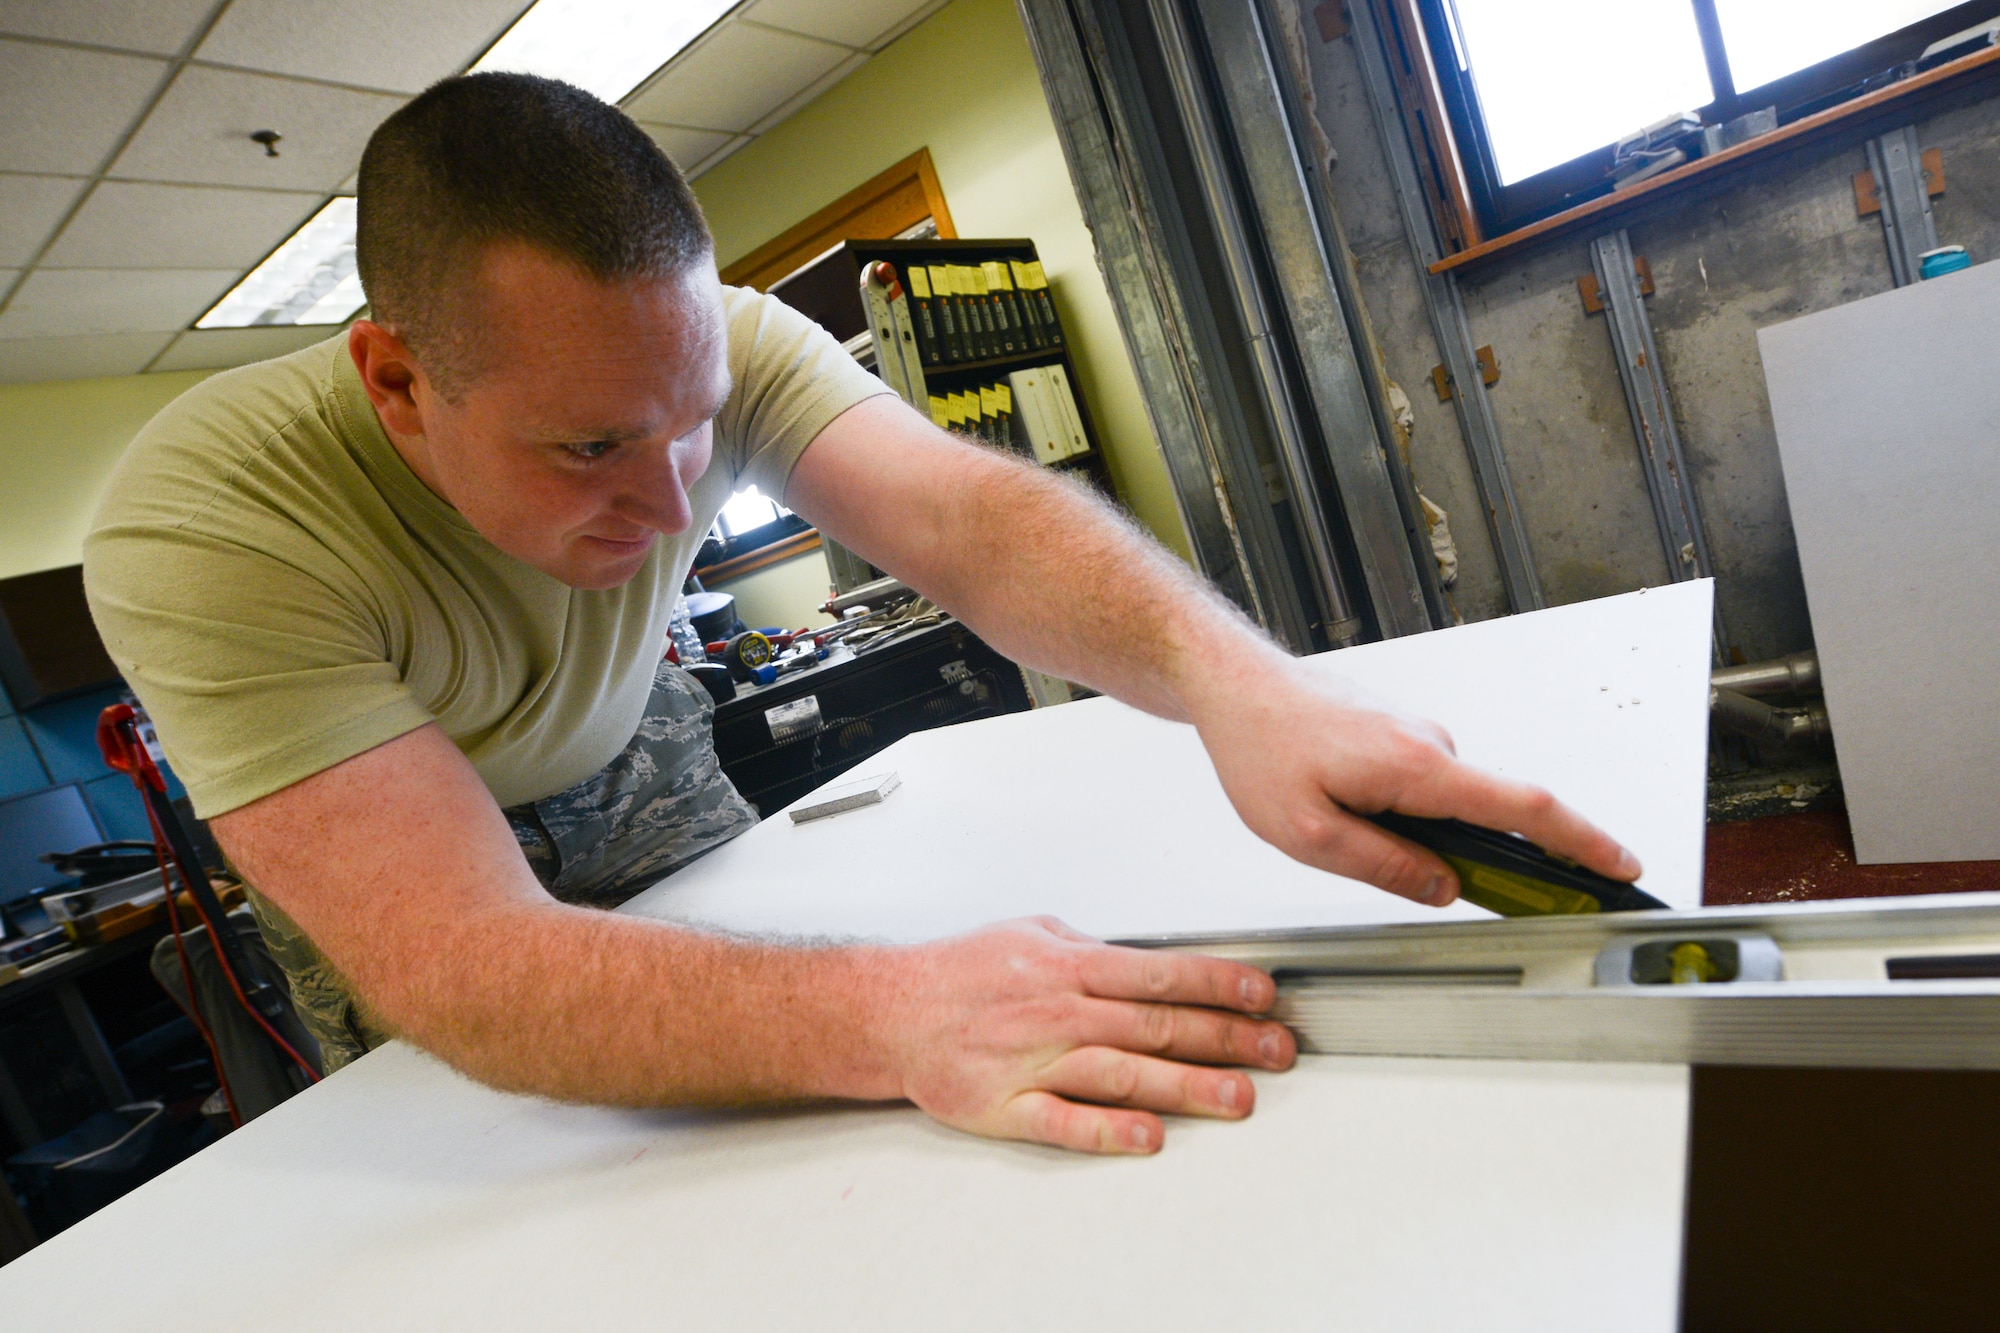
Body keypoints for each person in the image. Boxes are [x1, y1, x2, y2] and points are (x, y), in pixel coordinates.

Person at [83, 73, 1639, 1156]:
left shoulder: (710, 350)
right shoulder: (207, 524)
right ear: (398, 383)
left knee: (764, 1100)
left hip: (635, 746)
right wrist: (902, 1007)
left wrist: (1239, 688)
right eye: (589, 447)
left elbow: (969, 511)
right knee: (509, 1158)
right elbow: (475, 962)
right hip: (401, 837)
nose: (670, 489)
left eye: (692, 418)